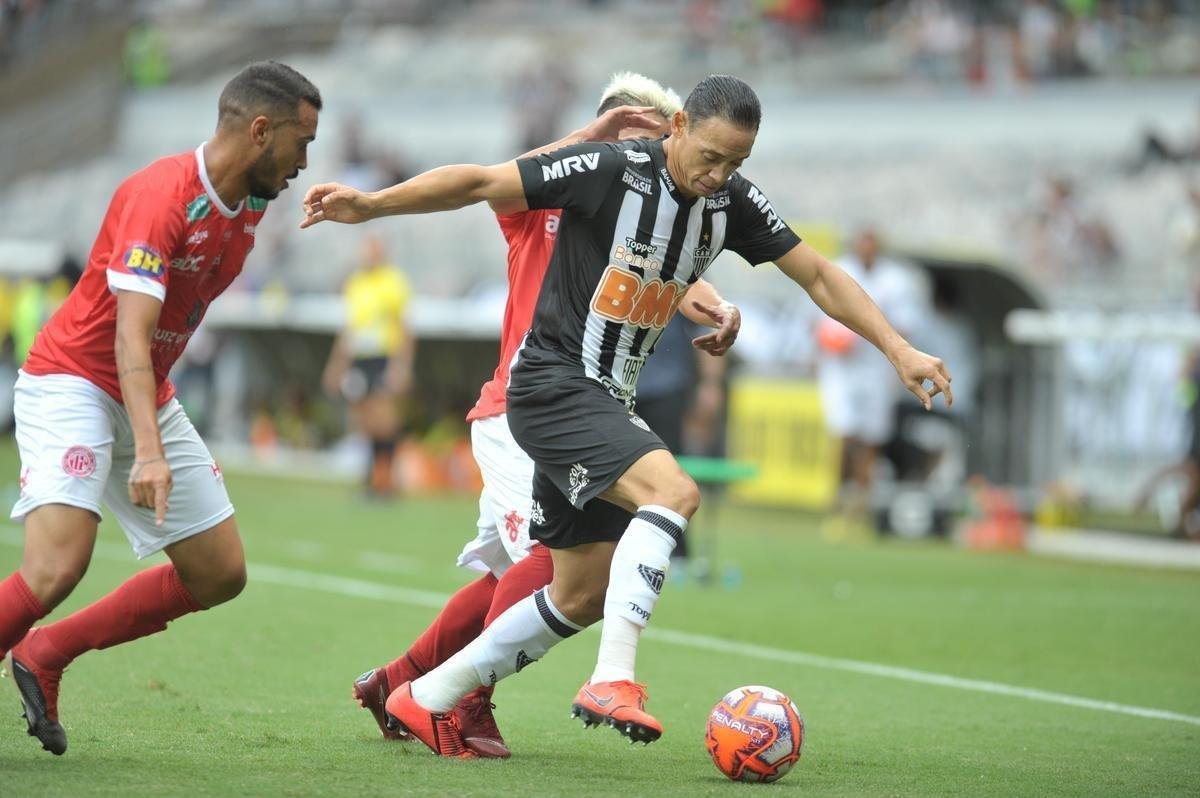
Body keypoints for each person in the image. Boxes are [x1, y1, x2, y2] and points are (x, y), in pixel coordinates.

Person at [300, 74, 951, 758]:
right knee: (672, 493)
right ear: (678, 129)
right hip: (549, 387)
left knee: (580, 590)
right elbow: (481, 181)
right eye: (711, 156)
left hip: (604, 399)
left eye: (736, 162)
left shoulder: (725, 203)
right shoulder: (609, 170)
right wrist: (371, 204)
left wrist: (897, 347)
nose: (719, 174)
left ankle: (423, 693)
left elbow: (814, 273)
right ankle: (610, 678)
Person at [350, 72, 741, 759]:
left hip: (584, 408)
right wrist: (593, 134)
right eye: (640, 139)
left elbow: (681, 277)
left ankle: (397, 681)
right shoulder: (550, 194)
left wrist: (719, 307)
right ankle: (459, 700)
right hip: (523, 407)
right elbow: (494, 180)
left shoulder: (648, 217)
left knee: (517, 578)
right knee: (552, 569)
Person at [0, 61, 321, 756]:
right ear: (259, 131)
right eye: (301, 142)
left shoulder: (252, 200)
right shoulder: (160, 197)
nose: (304, 162)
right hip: (75, 381)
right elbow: (130, 336)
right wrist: (147, 451)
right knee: (56, 567)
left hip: (146, 388)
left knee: (219, 572)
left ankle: (44, 653)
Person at [815, 228, 926, 518]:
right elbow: (815, 319)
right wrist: (833, 339)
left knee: (872, 435)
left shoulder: (895, 281)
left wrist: (875, 336)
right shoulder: (838, 270)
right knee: (843, 430)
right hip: (841, 368)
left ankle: (861, 499)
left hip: (876, 367)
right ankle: (839, 494)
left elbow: (907, 323)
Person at [322, 235, 414, 498]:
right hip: (360, 357)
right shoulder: (356, 282)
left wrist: (401, 365)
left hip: (383, 356)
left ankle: (387, 480)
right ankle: (372, 478)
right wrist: (336, 365)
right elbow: (350, 327)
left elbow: (403, 326)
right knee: (364, 419)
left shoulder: (394, 281)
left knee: (384, 418)